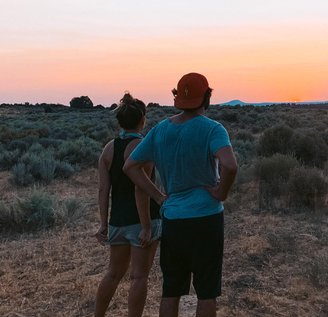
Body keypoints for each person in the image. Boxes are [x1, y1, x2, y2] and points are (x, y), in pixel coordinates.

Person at [124, 73, 238, 317]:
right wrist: (220, 193)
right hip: (206, 219)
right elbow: (230, 166)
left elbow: (130, 167)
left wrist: (159, 197)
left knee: (171, 290)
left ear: (177, 97)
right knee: (207, 291)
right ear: (206, 97)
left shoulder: (159, 130)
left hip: (173, 220)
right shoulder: (213, 129)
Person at [95, 93, 162, 317]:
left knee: (113, 273)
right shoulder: (143, 147)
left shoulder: (108, 149)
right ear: (142, 120)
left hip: (118, 220)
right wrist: (146, 226)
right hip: (142, 221)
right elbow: (140, 188)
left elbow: (103, 190)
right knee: (139, 277)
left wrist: (104, 224)